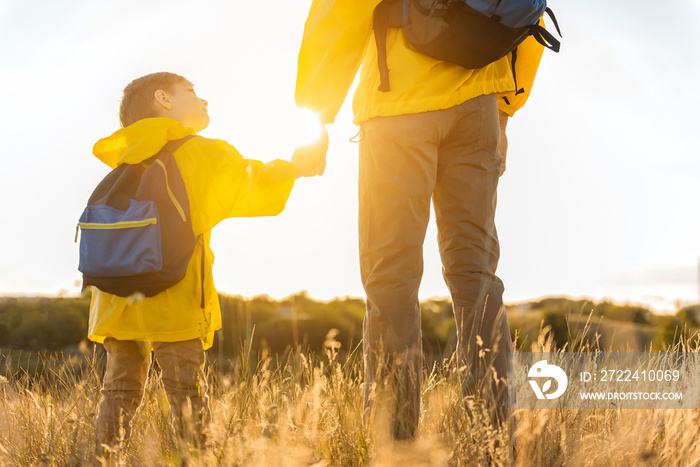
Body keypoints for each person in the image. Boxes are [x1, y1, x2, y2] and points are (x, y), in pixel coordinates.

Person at [295, 1, 546, 440]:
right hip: (478, 106)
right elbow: (528, 12)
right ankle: (492, 435)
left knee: (391, 275)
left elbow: (339, 14)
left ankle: (395, 442)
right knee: (477, 275)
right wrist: (505, 107)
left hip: (397, 105)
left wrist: (316, 115)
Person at [87, 71, 325, 461]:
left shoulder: (125, 155)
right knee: (184, 390)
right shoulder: (199, 152)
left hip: (115, 295)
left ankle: (101, 460)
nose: (205, 100)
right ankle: (196, 460)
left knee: (118, 390)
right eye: (193, 92)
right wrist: (297, 167)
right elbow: (253, 183)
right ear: (163, 99)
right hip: (173, 292)